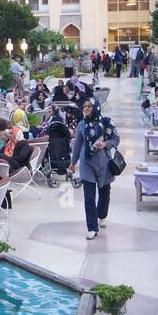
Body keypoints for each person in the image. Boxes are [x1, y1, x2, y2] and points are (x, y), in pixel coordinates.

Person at [69, 98, 120, 240]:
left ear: (96, 107)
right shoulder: (81, 125)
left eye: (89, 106)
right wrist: (73, 163)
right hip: (87, 163)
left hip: (104, 162)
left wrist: (106, 144)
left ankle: (102, 215)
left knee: (104, 192)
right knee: (89, 197)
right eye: (84, 106)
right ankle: (92, 227)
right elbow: (78, 146)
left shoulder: (106, 122)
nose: (86, 108)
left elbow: (116, 139)